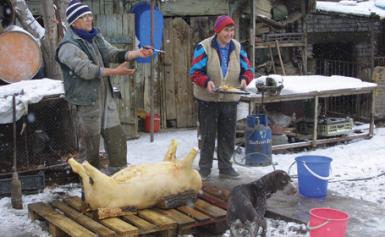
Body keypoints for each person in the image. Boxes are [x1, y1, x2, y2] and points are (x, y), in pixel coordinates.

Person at [56, 0, 153, 173]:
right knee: (90, 149)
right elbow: (86, 71)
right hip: (86, 103)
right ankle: (90, 188)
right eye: (83, 17)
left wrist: (138, 53)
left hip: (105, 98)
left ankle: (119, 178)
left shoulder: (94, 36)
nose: (89, 19)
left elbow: (112, 53)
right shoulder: (68, 46)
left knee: (117, 140)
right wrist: (115, 72)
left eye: (89, 15)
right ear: (73, 22)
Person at [189, 15, 253, 180]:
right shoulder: (204, 47)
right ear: (217, 30)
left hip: (229, 99)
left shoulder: (238, 48)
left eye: (232, 30)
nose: (230, 33)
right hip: (208, 99)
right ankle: (204, 168)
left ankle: (226, 167)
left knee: (227, 135)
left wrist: (245, 78)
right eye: (226, 30)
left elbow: (248, 69)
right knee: (207, 135)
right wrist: (206, 82)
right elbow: (195, 72)